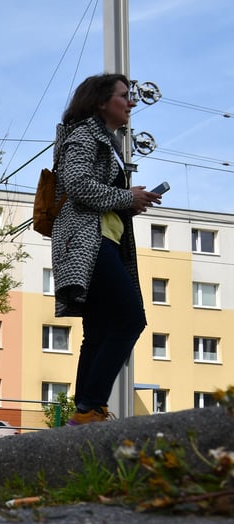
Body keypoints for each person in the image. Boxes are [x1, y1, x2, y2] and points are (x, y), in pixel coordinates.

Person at [51, 74, 161, 426]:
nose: (131, 103)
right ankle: (91, 406)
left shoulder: (104, 139)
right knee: (130, 319)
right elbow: (78, 184)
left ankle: (85, 413)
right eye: (124, 96)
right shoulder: (86, 135)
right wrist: (128, 197)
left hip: (100, 239)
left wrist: (131, 202)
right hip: (90, 243)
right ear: (101, 101)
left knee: (98, 330)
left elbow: (92, 192)